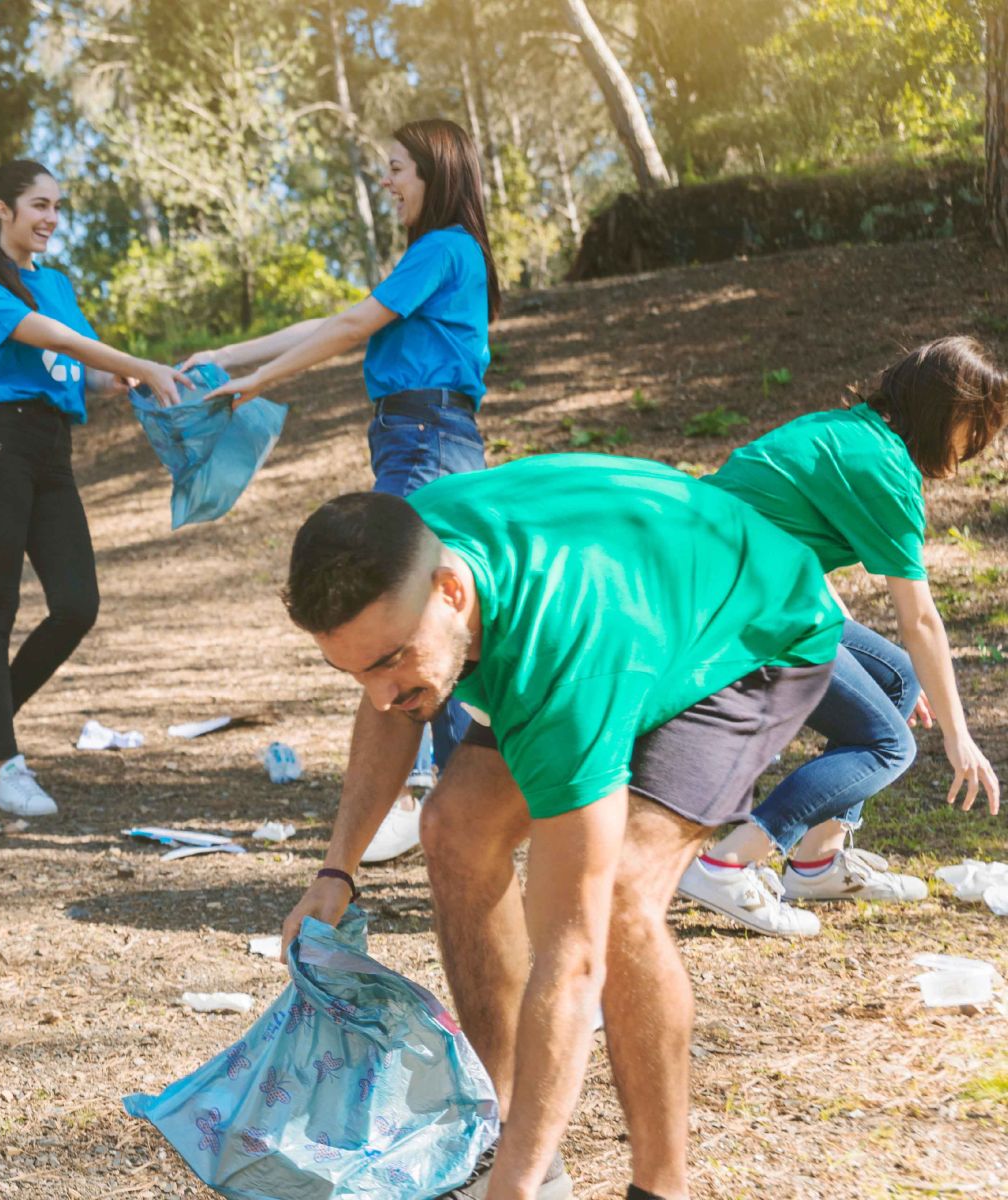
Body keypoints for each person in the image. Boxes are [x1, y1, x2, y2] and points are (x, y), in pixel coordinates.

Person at [276, 455, 842, 1200]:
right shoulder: (407, 553)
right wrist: (335, 871)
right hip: (632, 604)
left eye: (390, 661)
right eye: (356, 673)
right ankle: (512, 1139)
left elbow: (570, 960)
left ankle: (656, 1186)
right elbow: (388, 701)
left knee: (615, 901)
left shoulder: (566, 665)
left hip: (746, 633)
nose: (380, 697)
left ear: (452, 591)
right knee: (454, 829)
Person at [186, 117, 499, 864]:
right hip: (415, 437)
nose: (386, 182)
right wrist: (229, 356)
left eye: (397, 168)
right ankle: (446, 793)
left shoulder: (444, 248)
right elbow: (337, 319)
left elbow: (356, 324)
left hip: (424, 440)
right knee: (425, 612)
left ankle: (441, 794)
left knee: (413, 614)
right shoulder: (436, 257)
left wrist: (259, 381)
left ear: (436, 173)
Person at [677, 337, 1006, 936]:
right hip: (727, 597)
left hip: (727, 575)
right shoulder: (883, 470)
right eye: (976, 427)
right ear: (947, 413)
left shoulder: (850, 432)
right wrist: (960, 738)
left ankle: (818, 861)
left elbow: (794, 543)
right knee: (891, 746)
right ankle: (726, 863)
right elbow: (922, 619)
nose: (976, 447)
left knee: (897, 677)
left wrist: (910, 675)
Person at [0, 158, 191, 818]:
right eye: (39, 205)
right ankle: (2, 761)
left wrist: (111, 382)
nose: (52, 218)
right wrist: (133, 360)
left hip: (54, 450)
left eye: (57, 206)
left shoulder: (55, 282)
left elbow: (70, 364)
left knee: (77, 604)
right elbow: (50, 339)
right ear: (3, 209)